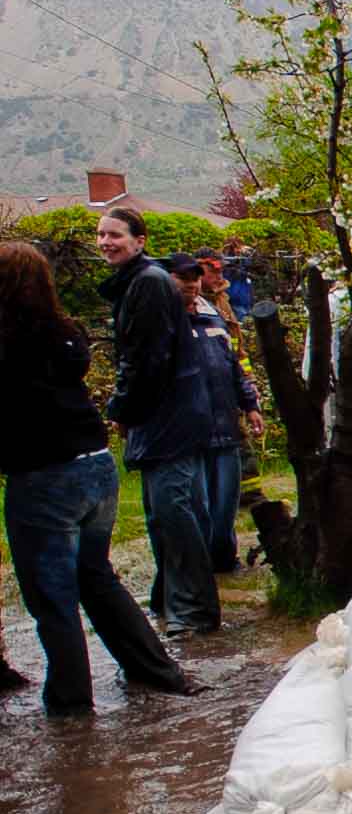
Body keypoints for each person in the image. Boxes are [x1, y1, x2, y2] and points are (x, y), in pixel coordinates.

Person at [0, 241, 197, 715]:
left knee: (53, 595)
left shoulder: (8, 340)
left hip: (44, 477)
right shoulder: (66, 333)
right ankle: (156, 670)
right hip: (95, 467)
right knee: (96, 577)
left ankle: (70, 701)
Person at [96, 208, 221, 637]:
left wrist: (120, 408)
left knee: (175, 511)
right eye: (101, 235)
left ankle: (192, 611)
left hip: (169, 416)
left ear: (140, 240)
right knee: (162, 514)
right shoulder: (139, 282)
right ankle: (170, 601)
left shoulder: (147, 284)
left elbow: (145, 357)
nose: (106, 242)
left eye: (115, 235)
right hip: (163, 414)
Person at [169, 254, 264, 573]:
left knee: (226, 503)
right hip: (189, 431)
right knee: (199, 504)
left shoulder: (213, 318)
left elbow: (235, 365)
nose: (192, 284)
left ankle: (224, 560)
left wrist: (250, 404)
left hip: (225, 424)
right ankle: (200, 566)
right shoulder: (165, 321)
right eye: (185, 278)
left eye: (195, 278)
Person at [195, 249, 267, 510]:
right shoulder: (194, 304)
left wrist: (248, 381)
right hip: (211, 389)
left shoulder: (222, 300)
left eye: (220, 269)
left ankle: (250, 496)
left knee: (241, 439)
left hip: (232, 381)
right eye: (211, 269)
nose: (219, 274)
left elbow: (238, 349)